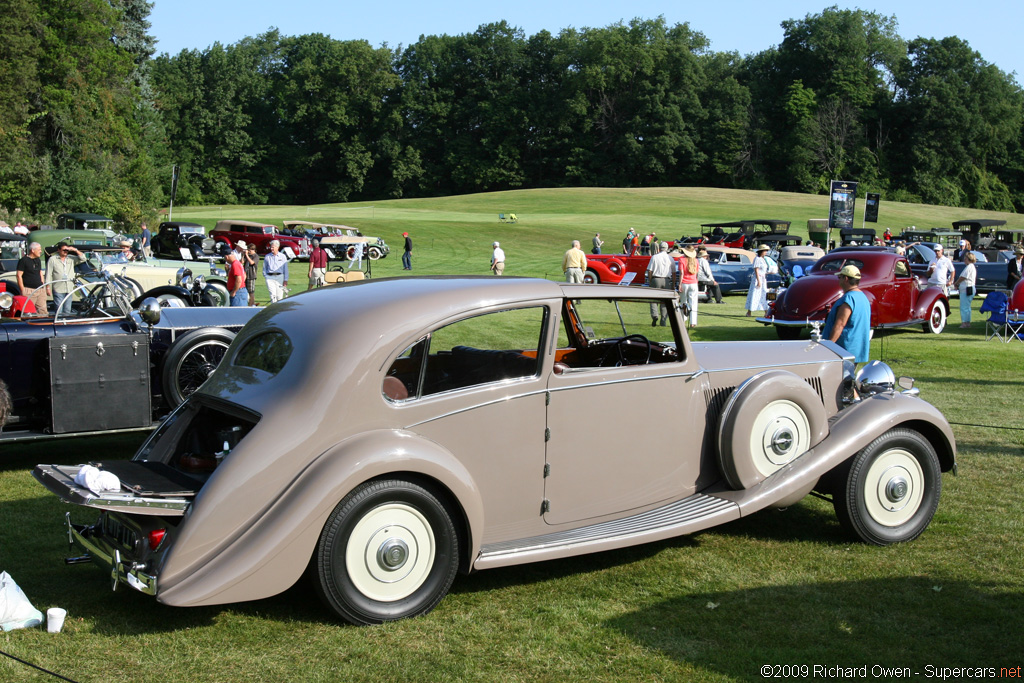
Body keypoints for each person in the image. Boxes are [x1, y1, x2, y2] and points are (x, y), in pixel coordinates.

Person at [824, 264, 871, 363]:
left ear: (845, 279)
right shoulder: (863, 297)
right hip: (856, 350)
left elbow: (840, 324)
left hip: (844, 351)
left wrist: (828, 347)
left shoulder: (848, 298)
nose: (838, 280)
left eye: (839, 277)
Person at [46, 242, 83, 316]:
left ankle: (66, 324)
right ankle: (59, 324)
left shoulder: (71, 258)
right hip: (58, 287)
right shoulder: (52, 259)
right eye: (64, 250)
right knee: (59, 309)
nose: (66, 252)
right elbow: (48, 273)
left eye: (67, 250)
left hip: (69, 287)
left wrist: (74, 250)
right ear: (59, 250)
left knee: (67, 310)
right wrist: (48, 287)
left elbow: (83, 258)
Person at [646, 242, 675, 326]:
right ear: (667, 248)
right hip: (666, 280)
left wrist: (650, 280)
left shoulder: (654, 257)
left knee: (653, 300)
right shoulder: (670, 258)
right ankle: (663, 319)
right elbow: (673, 272)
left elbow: (650, 270)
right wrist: (673, 284)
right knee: (665, 301)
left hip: (656, 278)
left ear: (659, 248)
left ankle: (655, 315)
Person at [16, 241, 46, 313]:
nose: (40, 251)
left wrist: (43, 284)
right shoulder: (23, 260)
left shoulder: (38, 260)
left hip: (40, 289)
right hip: (28, 290)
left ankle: (42, 323)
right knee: (28, 311)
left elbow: (40, 272)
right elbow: (19, 275)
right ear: (33, 250)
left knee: (43, 311)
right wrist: (23, 290)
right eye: (39, 250)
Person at [745, 244, 770, 317]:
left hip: (763, 278)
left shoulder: (763, 259)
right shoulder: (757, 259)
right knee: (755, 294)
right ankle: (749, 312)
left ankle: (766, 311)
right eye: (765, 251)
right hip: (758, 278)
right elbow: (756, 269)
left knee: (764, 294)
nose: (766, 252)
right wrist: (759, 281)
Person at [677, 246, 699, 328]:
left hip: (684, 283)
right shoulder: (696, 261)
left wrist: (679, 284)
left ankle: (683, 319)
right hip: (693, 283)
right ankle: (693, 322)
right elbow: (696, 273)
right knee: (693, 303)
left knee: (683, 302)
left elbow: (681, 273)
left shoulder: (682, 260)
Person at [954, 252, 978, 328]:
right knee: (967, 306)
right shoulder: (972, 267)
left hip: (967, 288)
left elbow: (963, 277)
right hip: (970, 287)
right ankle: (967, 322)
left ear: (968, 259)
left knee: (964, 306)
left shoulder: (969, 267)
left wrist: (956, 283)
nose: (964, 260)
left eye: (965, 258)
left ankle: (964, 322)